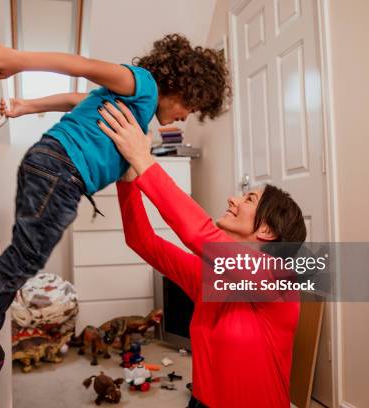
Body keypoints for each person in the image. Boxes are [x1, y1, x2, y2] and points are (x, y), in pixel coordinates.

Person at [0, 34, 231, 370]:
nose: (186, 117)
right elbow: (85, 66)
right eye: (191, 107)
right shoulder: (143, 85)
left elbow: (75, 99)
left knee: (26, 258)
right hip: (62, 170)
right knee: (25, 258)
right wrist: (17, 60)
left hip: (53, 168)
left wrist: (26, 106)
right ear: (184, 87)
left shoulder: (133, 105)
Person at [96, 101, 307, 408]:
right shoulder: (213, 277)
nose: (233, 200)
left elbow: (199, 233)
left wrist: (144, 159)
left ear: (267, 231)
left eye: (248, 199)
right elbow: (143, 241)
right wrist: (127, 179)